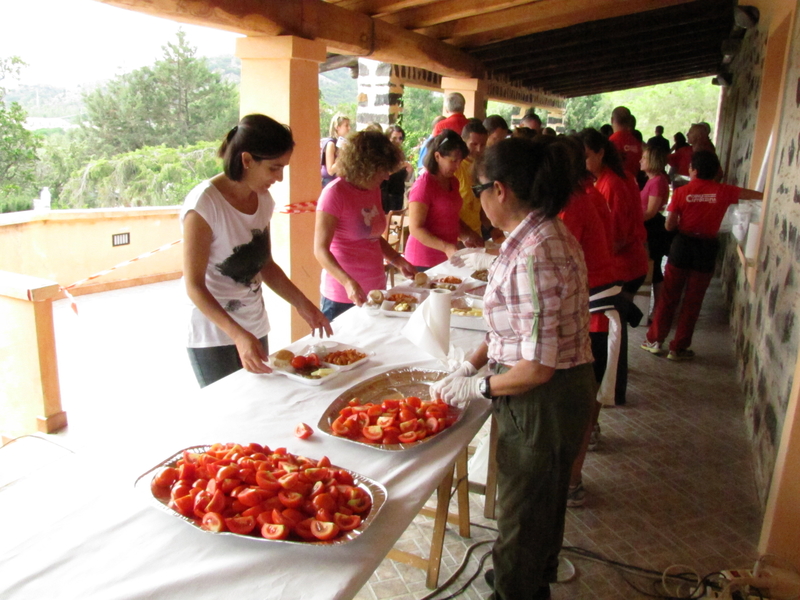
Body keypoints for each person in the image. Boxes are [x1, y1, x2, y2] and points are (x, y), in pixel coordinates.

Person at [431, 137, 595, 600]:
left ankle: (517, 587)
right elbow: (513, 330)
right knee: (543, 504)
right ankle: (524, 575)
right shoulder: (536, 235)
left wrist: (481, 388)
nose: (476, 201)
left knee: (523, 513)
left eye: (478, 189)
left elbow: (536, 367)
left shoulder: (534, 253)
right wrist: (469, 363)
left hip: (544, 397)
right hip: (555, 387)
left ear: (499, 189)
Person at [182, 114, 332, 388]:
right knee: (230, 418)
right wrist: (237, 335)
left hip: (253, 325)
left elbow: (266, 265)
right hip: (213, 336)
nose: (280, 177)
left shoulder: (263, 200)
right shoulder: (204, 205)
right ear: (247, 160)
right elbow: (194, 286)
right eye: (274, 168)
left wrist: (303, 304)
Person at [641, 151, 762, 360]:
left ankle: (655, 340)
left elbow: (669, 225)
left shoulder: (681, 192)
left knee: (670, 295)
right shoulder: (724, 191)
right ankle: (678, 348)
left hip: (682, 246)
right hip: (706, 248)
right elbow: (757, 195)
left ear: (693, 170)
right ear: (716, 171)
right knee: (693, 300)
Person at [314, 130, 416, 321]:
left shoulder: (373, 189)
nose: (387, 176)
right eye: (383, 170)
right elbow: (320, 250)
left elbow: (373, 237)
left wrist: (396, 259)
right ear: (365, 167)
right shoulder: (334, 194)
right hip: (342, 295)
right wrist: (347, 282)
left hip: (375, 289)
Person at [581, 127, 648, 405]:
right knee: (614, 333)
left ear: (599, 152)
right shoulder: (608, 180)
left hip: (624, 265)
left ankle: (614, 391)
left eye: (585, 156)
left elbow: (618, 236)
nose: (582, 164)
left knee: (611, 333)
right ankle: (614, 388)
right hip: (622, 263)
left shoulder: (611, 184)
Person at [405, 130, 482, 269]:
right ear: (437, 156)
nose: (458, 166)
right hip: (423, 259)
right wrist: (446, 247)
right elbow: (416, 228)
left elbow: (451, 217)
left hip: (446, 258)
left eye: (460, 161)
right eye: (453, 161)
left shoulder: (453, 181)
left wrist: (468, 234)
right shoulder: (424, 185)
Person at [640, 144, 673, 320]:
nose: (640, 161)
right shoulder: (652, 180)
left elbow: (651, 211)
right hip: (649, 226)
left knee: (655, 270)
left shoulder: (658, 181)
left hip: (653, 228)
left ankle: (659, 309)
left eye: (644, 158)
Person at [453, 120, 489, 243]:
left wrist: (492, 228)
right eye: (474, 144)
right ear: (463, 141)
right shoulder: (455, 167)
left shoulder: (483, 167)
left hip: (477, 234)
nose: (479, 149)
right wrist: (465, 234)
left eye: (483, 145)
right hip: (457, 238)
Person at [380, 125, 413, 213]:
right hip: (387, 194)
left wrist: (409, 171)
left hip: (398, 193)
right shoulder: (384, 154)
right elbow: (384, 174)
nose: (397, 141)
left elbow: (405, 178)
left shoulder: (400, 154)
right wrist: (400, 166)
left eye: (400, 138)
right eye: (394, 138)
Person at [609, 106, 642, 181]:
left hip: (617, 184)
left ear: (612, 120)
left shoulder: (611, 142)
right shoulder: (636, 142)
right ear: (629, 121)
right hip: (634, 185)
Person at [321, 114, 351, 186]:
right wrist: (343, 154)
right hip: (330, 182)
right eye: (346, 125)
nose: (349, 128)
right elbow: (330, 171)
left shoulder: (343, 143)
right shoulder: (331, 144)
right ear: (337, 127)